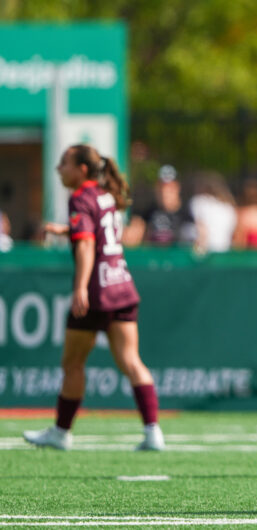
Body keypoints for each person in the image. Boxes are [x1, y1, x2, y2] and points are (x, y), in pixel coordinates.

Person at [23, 144, 165, 452]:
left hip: (98, 290)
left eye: (64, 163)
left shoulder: (80, 197)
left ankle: (61, 432)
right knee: (131, 361)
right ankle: (153, 431)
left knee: (72, 364)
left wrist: (80, 288)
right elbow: (99, 232)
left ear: (82, 170)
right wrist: (67, 231)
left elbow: (87, 246)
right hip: (122, 284)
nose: (59, 169)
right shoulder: (104, 195)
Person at [122, 164, 198, 248]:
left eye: (169, 188)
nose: (164, 192)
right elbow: (132, 236)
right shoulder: (149, 212)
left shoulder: (187, 213)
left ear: (177, 188)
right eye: (161, 187)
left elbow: (196, 243)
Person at [189, 171, 237, 253]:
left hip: (207, 253)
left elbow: (201, 231)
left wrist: (198, 253)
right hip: (224, 252)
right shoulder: (229, 206)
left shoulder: (199, 201)